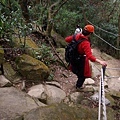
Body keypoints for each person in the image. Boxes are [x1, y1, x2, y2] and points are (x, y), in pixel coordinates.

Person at [65, 24, 107, 90]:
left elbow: (67, 39)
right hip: (79, 59)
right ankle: (79, 86)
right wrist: (100, 61)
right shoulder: (85, 43)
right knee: (83, 75)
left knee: (76, 70)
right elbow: (90, 56)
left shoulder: (77, 35)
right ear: (90, 33)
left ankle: (77, 81)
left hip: (72, 57)